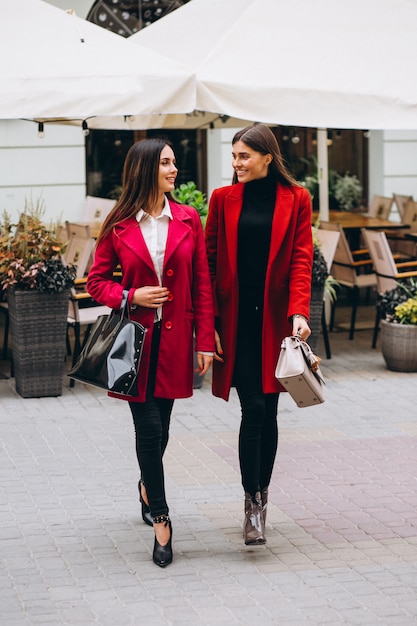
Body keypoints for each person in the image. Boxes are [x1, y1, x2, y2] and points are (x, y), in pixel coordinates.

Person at [87, 138, 214, 567]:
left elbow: (202, 285)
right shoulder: (120, 223)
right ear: (145, 169)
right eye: (165, 163)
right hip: (132, 343)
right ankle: (161, 518)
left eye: (174, 162)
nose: (174, 169)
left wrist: (205, 341)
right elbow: (96, 281)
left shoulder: (188, 218)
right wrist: (131, 295)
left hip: (177, 341)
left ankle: (146, 485)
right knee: (148, 429)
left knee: (163, 427)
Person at [205, 124, 313, 546]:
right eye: (234, 156)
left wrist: (299, 310)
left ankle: (262, 499)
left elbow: (302, 258)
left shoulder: (297, 198)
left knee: (269, 410)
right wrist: (209, 321)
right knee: (253, 406)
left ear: (268, 156)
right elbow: (209, 263)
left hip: (274, 321)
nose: (237, 164)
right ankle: (252, 504)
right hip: (237, 323)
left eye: (244, 156)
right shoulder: (222, 199)